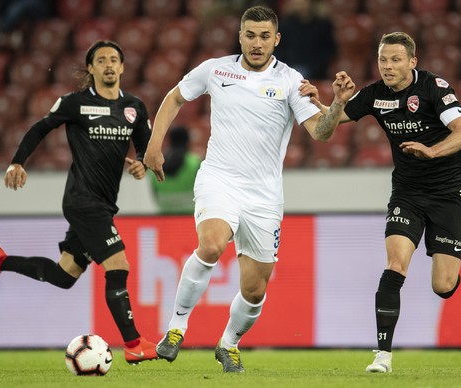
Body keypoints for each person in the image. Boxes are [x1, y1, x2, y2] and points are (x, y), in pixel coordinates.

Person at [144, 5, 354, 373]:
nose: (257, 44)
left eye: (264, 36)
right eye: (250, 35)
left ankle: (228, 344)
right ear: (240, 36)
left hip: (264, 195)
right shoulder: (215, 69)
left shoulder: (291, 80)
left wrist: (336, 104)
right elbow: (175, 97)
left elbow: (321, 133)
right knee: (210, 245)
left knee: (255, 290)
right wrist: (153, 145)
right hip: (219, 178)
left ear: (277, 39)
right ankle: (176, 328)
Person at [0, 40, 158, 365]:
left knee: (64, 275)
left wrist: (142, 162)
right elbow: (40, 128)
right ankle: (134, 343)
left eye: (114, 59)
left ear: (123, 67)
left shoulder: (135, 107)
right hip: (83, 201)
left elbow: (144, 145)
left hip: (103, 203)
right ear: (91, 69)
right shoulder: (76, 103)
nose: (109, 65)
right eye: (101, 60)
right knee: (119, 266)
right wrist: (18, 162)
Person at [308, 31, 461, 373]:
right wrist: (336, 99)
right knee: (395, 263)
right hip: (408, 192)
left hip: (447, 192)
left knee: (443, 287)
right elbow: (333, 121)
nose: (388, 66)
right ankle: (382, 356)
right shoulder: (375, 95)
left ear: (413, 62)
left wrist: (431, 151)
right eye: (383, 59)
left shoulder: (434, 88)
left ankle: (449, 261)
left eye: (396, 59)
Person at [276, 0, 336, 79]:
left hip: (316, 69)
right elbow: (280, 49)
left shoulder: (322, 24)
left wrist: (316, 66)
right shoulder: (286, 24)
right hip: (290, 66)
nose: (300, 4)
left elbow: (329, 49)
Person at [149, 126, 201, 214]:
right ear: (188, 141)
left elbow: (155, 193)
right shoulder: (194, 162)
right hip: (190, 218)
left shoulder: (156, 164)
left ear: (169, 141)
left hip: (166, 218)